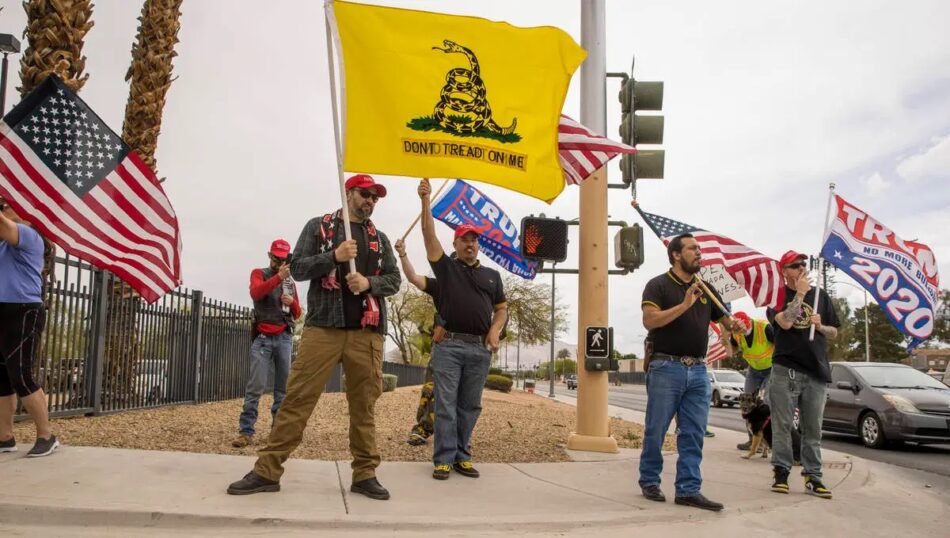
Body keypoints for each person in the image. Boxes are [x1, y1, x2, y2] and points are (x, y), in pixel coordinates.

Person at [227, 174, 401, 500]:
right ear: (349, 193)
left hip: (367, 333)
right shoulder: (318, 227)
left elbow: (394, 279)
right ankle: (267, 471)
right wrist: (333, 257)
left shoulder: (381, 239)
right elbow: (299, 268)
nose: (370, 201)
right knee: (296, 400)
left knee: (364, 407)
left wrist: (368, 284)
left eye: (375, 198)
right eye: (365, 194)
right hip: (323, 329)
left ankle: (364, 474)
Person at [418, 178, 507, 481]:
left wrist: (495, 330)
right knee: (446, 404)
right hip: (450, 347)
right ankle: (442, 459)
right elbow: (429, 237)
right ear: (455, 244)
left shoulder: (493, 276)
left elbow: (502, 309)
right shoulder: (446, 269)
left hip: (479, 350)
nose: (470, 244)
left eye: (474, 240)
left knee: (470, 405)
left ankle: (461, 457)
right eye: (464, 239)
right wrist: (425, 200)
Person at [638, 232, 734, 512]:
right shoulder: (658, 286)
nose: (699, 253)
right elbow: (649, 320)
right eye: (693, 249)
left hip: (699, 370)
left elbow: (725, 320)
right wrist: (684, 305)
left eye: (699, 249)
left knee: (693, 432)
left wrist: (734, 327)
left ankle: (688, 489)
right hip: (666, 367)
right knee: (656, 430)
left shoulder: (706, 289)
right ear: (676, 254)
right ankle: (650, 481)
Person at [767, 250, 838, 499]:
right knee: (783, 425)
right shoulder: (777, 297)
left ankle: (813, 476)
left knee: (813, 428)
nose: (801, 269)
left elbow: (834, 332)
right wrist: (799, 294)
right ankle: (781, 473)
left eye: (803, 265)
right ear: (784, 271)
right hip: (786, 369)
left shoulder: (821, 297)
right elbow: (785, 322)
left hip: (815, 370)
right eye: (795, 265)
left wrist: (820, 326)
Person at [0, 198, 58, 457]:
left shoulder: (29, 234)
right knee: (2, 380)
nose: (4, 209)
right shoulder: (4, 243)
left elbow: (3, 226)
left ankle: (47, 435)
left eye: (7, 206)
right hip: (2, 309)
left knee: (22, 375)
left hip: (24, 309)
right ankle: (5, 437)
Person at [232, 239, 302, 448]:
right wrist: (278, 278)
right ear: (269, 255)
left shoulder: (290, 283)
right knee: (256, 386)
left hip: (284, 337)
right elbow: (256, 293)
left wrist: (293, 303)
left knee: (282, 389)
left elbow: (297, 314)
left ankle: (277, 432)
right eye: (275, 257)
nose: (278, 262)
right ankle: (246, 431)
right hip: (262, 337)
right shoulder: (258, 273)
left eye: (282, 259)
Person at [394, 238, 442, 447]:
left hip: (469, 349)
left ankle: (456, 438)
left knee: (463, 398)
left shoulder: (479, 285)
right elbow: (413, 277)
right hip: (442, 349)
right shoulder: (442, 285)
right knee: (431, 391)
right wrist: (403, 254)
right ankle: (423, 428)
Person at [722, 311, 774, 451]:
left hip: (771, 368)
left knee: (767, 402)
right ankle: (753, 440)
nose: (739, 332)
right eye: (736, 330)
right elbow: (731, 352)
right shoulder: (736, 333)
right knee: (747, 400)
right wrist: (726, 341)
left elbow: (782, 345)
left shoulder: (764, 328)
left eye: (741, 328)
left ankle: (768, 440)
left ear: (748, 322)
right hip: (754, 369)